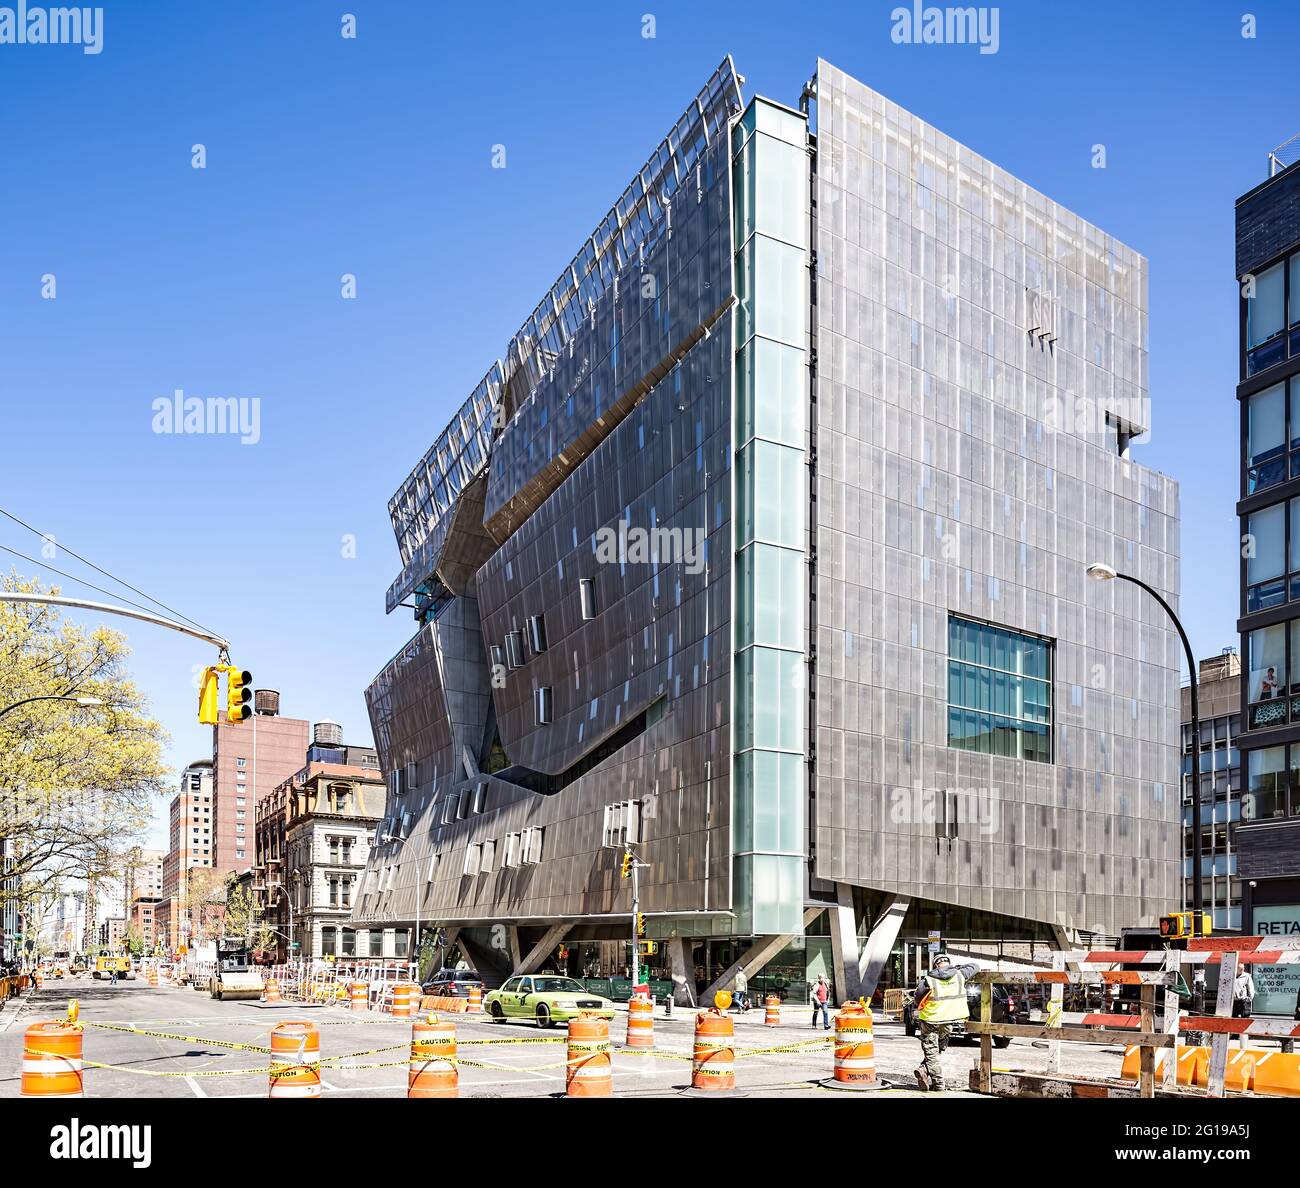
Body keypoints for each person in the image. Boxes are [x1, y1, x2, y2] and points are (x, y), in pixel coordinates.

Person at [912, 954, 980, 1092]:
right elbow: (975, 966)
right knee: (940, 1047)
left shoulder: (928, 980)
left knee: (931, 1051)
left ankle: (938, 1084)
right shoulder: (960, 974)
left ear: (935, 965)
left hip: (930, 1018)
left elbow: (917, 998)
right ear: (948, 963)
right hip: (950, 1018)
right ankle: (924, 1069)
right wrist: (955, 968)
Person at [1232, 964, 1257, 1051]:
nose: (1242, 970)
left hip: (1243, 1000)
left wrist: (1249, 998)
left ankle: (1244, 1035)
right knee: (1234, 1018)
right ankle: (1235, 1035)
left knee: (1244, 1017)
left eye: (1243, 969)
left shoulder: (1246, 976)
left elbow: (1251, 988)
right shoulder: (1232, 975)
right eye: (1240, 969)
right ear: (1236, 969)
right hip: (1234, 1000)